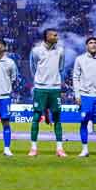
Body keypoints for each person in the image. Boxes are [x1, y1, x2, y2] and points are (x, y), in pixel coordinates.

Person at [28, 28, 66, 157]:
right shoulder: (36, 51)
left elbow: (60, 67)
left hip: (55, 88)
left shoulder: (60, 51)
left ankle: (59, 149)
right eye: (55, 35)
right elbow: (33, 67)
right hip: (40, 88)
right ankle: (33, 148)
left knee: (57, 118)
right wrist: (40, 80)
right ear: (47, 36)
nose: (57, 37)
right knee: (36, 117)